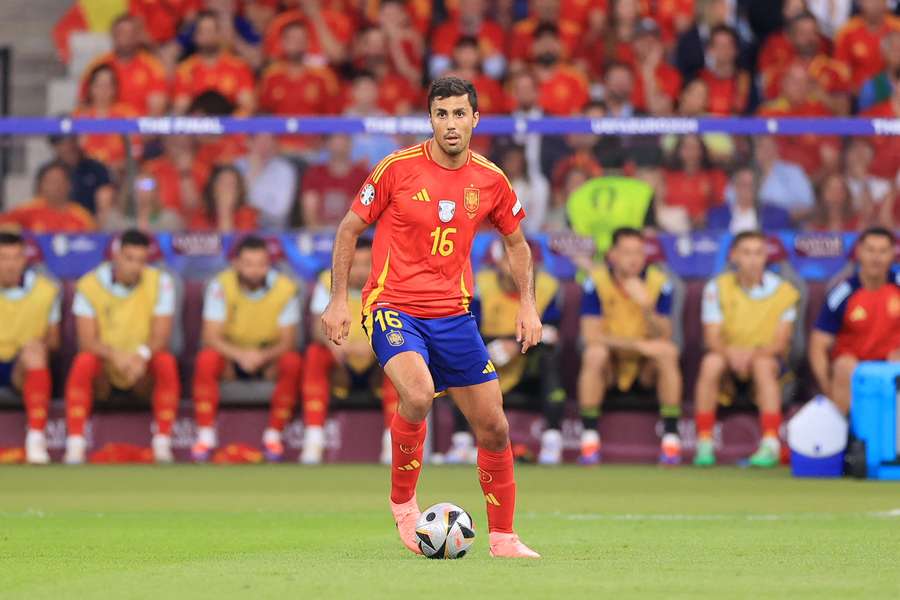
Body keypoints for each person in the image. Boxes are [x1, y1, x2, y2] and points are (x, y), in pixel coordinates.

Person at [320, 77, 541, 558]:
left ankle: (503, 538)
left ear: (475, 119)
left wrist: (527, 303)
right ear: (431, 120)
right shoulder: (397, 169)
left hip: (454, 316)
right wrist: (340, 299)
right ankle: (403, 505)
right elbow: (348, 229)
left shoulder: (491, 179)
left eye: (460, 114)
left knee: (495, 427)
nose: (451, 124)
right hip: (392, 306)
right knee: (418, 394)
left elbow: (517, 242)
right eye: (441, 115)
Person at [64, 230, 180, 464]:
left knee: (165, 361)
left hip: (141, 369)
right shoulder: (89, 284)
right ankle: (75, 445)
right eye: (129, 258)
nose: (135, 267)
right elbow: (86, 341)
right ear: (116, 256)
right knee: (84, 361)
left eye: (141, 260)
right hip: (106, 370)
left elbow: (161, 334)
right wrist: (116, 356)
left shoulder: (161, 282)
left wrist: (140, 356)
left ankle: (163, 444)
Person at [444, 242, 566, 465]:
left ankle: (552, 439)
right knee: (460, 359)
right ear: (498, 263)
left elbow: (551, 333)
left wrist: (514, 345)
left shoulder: (548, 287)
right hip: (487, 356)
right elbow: (467, 328)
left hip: (528, 359)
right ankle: (461, 440)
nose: (519, 269)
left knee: (550, 359)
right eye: (510, 262)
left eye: (527, 264)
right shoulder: (481, 286)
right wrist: (490, 349)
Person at [693, 231, 801, 468]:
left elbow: (780, 343)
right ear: (734, 256)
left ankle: (771, 443)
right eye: (746, 253)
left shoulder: (784, 292)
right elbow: (712, 337)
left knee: (763, 366)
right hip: (727, 358)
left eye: (758, 253)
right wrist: (731, 353)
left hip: (766, 360)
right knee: (710, 363)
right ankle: (704, 442)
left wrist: (750, 355)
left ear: (766, 257)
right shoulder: (717, 288)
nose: (753, 260)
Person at [191, 235, 303, 462]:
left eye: (261, 264)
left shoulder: (285, 289)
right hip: (231, 357)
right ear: (237, 264)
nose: (255, 271)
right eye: (249, 264)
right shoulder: (220, 286)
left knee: (292, 361)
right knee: (206, 359)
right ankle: (205, 437)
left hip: (268, 357)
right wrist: (240, 355)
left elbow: (287, 341)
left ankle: (274, 436)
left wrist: (262, 356)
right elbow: (210, 336)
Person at [578, 228, 683, 465]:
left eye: (638, 252)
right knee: (594, 354)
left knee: (668, 353)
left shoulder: (660, 283)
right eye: (626, 252)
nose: (633, 258)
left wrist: (647, 306)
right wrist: (638, 345)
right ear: (612, 255)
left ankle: (671, 438)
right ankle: (589, 438)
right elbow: (591, 335)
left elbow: (665, 335)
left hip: (646, 369)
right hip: (611, 366)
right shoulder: (596, 282)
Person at [303, 238, 398, 464]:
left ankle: (392, 444)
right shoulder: (329, 282)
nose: (361, 271)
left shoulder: (390, 282)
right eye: (355, 264)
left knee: (400, 358)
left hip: (377, 363)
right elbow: (317, 327)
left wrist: (374, 347)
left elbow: (399, 327)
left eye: (368, 264)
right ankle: (313, 440)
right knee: (315, 354)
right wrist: (337, 343)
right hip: (341, 363)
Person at [809, 227, 900, 415]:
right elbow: (818, 344)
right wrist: (828, 387)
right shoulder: (842, 292)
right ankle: (848, 435)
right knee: (844, 366)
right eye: (870, 250)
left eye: (883, 251)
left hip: (892, 365)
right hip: (855, 367)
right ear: (859, 252)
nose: (876, 258)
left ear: (892, 254)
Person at [0, 232, 60, 464]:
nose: (10, 265)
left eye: (15, 257)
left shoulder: (45, 290)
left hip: (19, 367)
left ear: (25, 260)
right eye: (3, 257)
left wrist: (37, 344)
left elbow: (54, 341)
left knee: (35, 352)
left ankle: (35, 440)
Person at [79, 14, 168, 116]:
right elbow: (83, 103)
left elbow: (156, 113)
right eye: (121, 32)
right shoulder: (97, 65)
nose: (126, 37)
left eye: (131, 32)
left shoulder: (153, 67)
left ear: (138, 36)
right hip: (102, 127)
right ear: (113, 35)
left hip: (138, 128)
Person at [172, 10, 256, 114]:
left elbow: (248, 106)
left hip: (230, 126)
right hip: (198, 127)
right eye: (203, 31)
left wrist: (227, 124)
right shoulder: (185, 70)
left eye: (211, 31)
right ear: (195, 37)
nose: (208, 36)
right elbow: (180, 109)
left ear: (219, 34)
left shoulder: (238, 67)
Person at [0, 162, 96, 233]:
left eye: (60, 181)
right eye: (50, 181)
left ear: (69, 185)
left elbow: (93, 243)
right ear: (40, 185)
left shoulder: (82, 216)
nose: (56, 186)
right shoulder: (27, 210)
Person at [301, 134, 370, 229]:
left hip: (354, 238)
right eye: (335, 138)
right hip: (318, 235)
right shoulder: (314, 173)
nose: (339, 143)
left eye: (343, 138)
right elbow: (309, 211)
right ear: (326, 143)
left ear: (350, 142)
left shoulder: (363, 176)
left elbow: (364, 215)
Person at [234, 133, 297, 229]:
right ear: (249, 142)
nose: (265, 146)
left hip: (274, 230)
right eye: (260, 140)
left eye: (269, 140)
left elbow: (279, 211)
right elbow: (232, 205)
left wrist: (250, 207)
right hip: (239, 227)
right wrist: (253, 173)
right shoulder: (237, 167)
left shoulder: (285, 169)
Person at [709, 167, 792, 233]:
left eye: (752, 184)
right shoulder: (717, 215)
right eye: (743, 184)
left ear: (758, 186)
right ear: (734, 186)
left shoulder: (776, 215)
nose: (748, 188)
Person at [191, 165, 258, 232]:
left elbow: (235, 241)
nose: (226, 189)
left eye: (231, 184)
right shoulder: (201, 216)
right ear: (213, 190)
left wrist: (225, 211)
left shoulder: (247, 215)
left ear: (238, 192)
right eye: (222, 183)